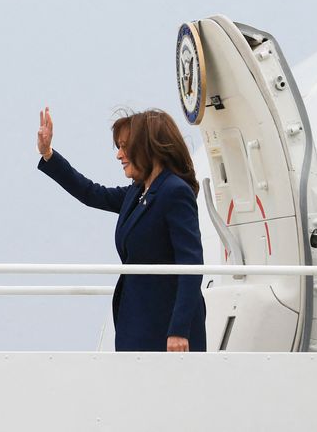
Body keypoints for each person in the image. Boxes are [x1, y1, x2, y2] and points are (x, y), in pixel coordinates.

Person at [36, 107, 207, 352]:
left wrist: (179, 330)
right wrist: (49, 154)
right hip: (136, 322)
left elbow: (191, 265)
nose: (119, 155)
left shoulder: (174, 191)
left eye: (125, 146)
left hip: (166, 329)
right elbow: (91, 193)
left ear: (148, 147)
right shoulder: (138, 192)